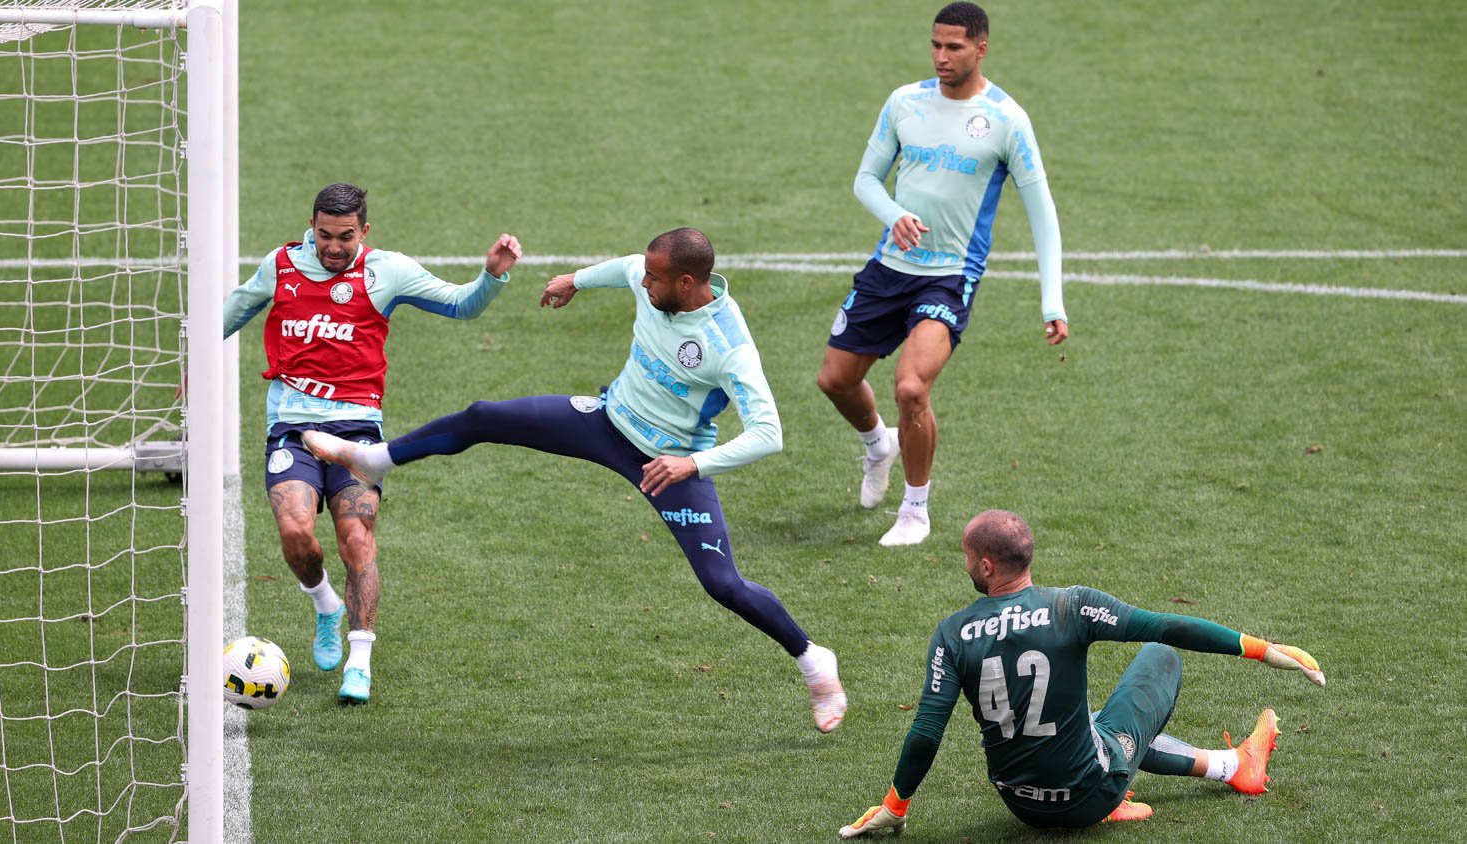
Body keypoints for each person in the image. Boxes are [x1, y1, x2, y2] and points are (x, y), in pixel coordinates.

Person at [302, 227, 850, 732]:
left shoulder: (728, 346)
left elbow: (769, 434)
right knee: (484, 416)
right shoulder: (653, 278)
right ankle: (375, 460)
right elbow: (629, 265)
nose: (644, 283)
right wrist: (575, 281)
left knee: (723, 584)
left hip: (668, 465)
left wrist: (692, 464)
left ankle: (813, 660)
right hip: (605, 422)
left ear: (686, 283)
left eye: (655, 279)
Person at [839, 509, 1326, 836]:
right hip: (1090, 794)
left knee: (1084, 722)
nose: (965, 564)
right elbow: (1166, 626)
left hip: (1022, 807)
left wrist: (895, 806)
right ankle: (1235, 768)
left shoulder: (952, 632)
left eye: (966, 557)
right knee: (1161, 655)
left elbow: (927, 732)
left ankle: (1230, 766)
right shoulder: (1071, 606)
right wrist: (1262, 649)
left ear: (986, 567)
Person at [222, 182, 521, 704]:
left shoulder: (388, 272)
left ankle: (358, 663)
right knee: (295, 533)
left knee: (356, 539)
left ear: (364, 230)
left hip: (357, 430)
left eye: (345, 237)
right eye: (324, 236)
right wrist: (192, 361)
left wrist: (492, 274)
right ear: (311, 228)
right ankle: (325, 604)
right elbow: (232, 311)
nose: (333, 247)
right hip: (292, 426)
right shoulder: (281, 266)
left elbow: (460, 306)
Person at [818, 2, 1069, 547]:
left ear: (981, 48)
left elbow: (1043, 215)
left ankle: (914, 510)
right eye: (935, 44)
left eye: (954, 46)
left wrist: (1053, 302)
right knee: (835, 380)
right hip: (890, 266)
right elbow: (865, 179)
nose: (941, 56)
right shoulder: (904, 103)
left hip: (951, 275)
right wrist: (895, 215)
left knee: (911, 388)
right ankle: (878, 446)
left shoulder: (1007, 119)